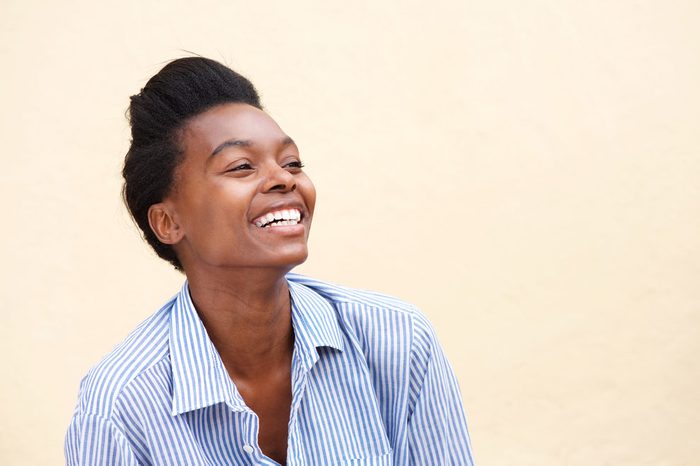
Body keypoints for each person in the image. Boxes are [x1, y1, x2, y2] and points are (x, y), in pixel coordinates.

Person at [65, 57, 474, 466]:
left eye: (292, 162)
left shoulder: (397, 340)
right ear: (168, 222)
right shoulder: (121, 406)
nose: (284, 179)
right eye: (242, 166)